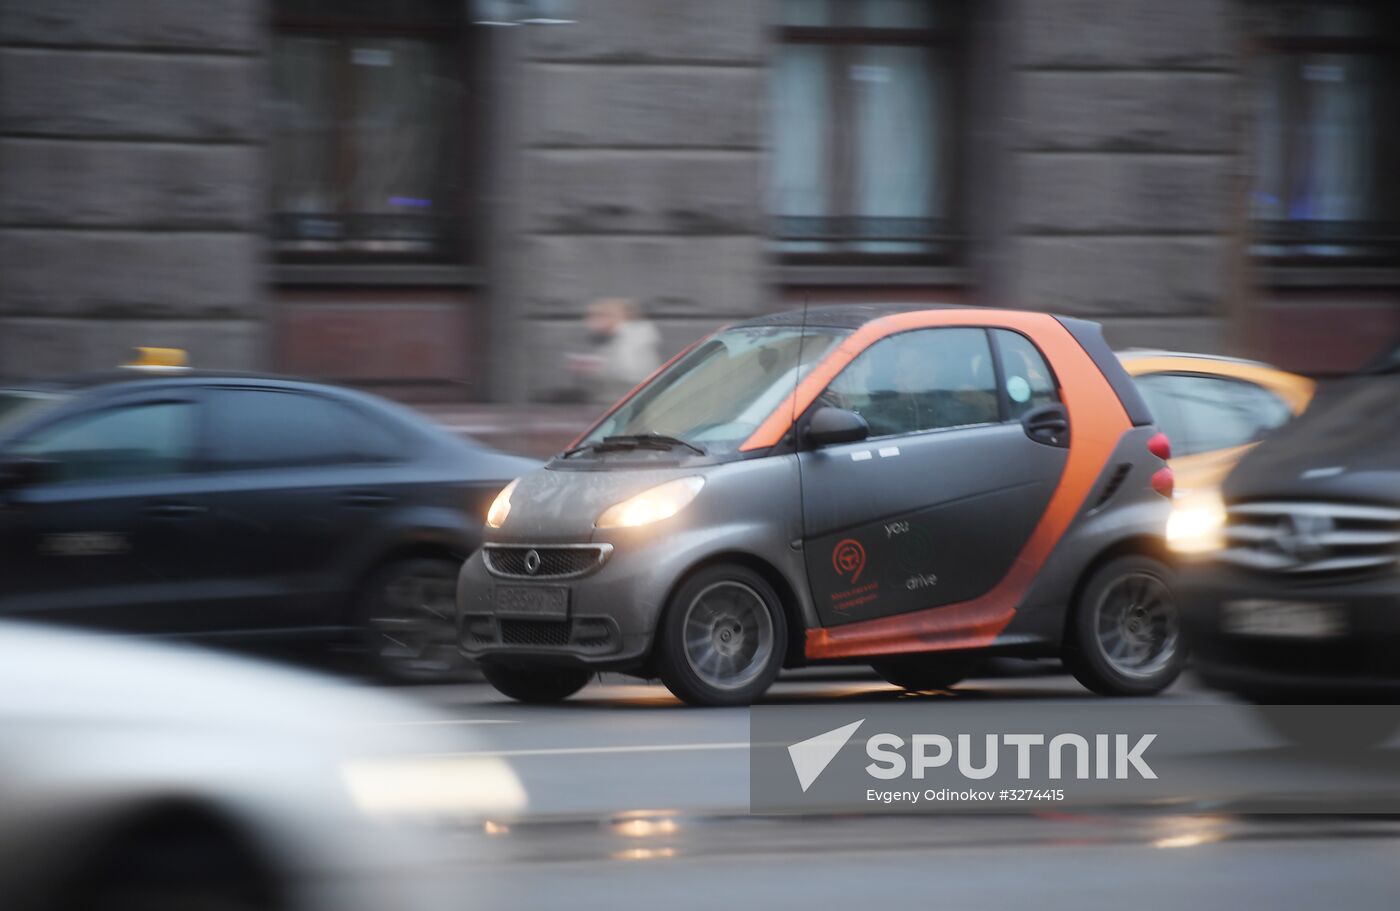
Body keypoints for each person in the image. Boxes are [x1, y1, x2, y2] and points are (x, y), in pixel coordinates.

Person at [566, 298, 662, 404]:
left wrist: (593, 367)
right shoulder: (616, 336)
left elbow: (630, 372)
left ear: (615, 316)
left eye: (598, 315)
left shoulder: (632, 338)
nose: (589, 320)